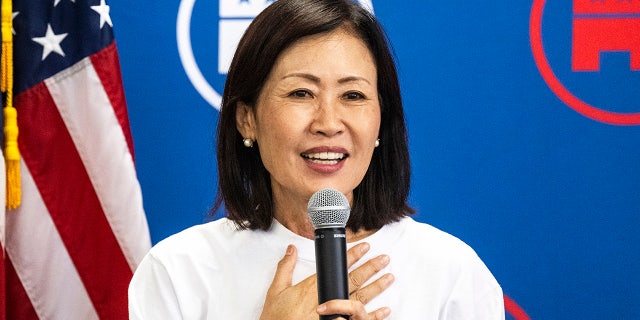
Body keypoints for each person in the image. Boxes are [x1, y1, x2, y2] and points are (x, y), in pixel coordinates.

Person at [128, 0, 505, 319]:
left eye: (353, 96)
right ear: (247, 119)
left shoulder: (452, 272)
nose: (328, 123)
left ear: (380, 123)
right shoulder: (177, 271)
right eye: (301, 93)